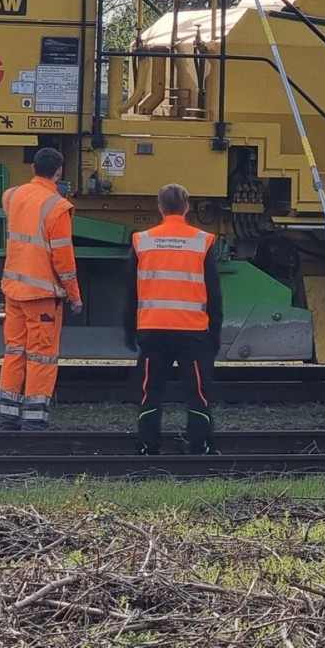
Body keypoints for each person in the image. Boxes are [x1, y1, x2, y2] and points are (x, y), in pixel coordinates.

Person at [124, 183, 224, 456]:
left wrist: (129, 330)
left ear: (160, 207)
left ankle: (147, 445)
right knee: (198, 392)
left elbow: (132, 291)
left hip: (152, 330)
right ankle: (200, 445)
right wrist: (214, 334)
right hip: (192, 332)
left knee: (149, 392)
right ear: (187, 207)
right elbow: (214, 295)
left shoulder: (142, 240)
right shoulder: (201, 241)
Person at [0, 147, 82, 430]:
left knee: (15, 352)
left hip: (13, 289)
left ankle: (7, 415)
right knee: (41, 356)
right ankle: (34, 420)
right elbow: (64, 259)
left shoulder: (11, 196)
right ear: (59, 172)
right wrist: (74, 295)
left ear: (33, 168)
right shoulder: (57, 207)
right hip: (42, 295)